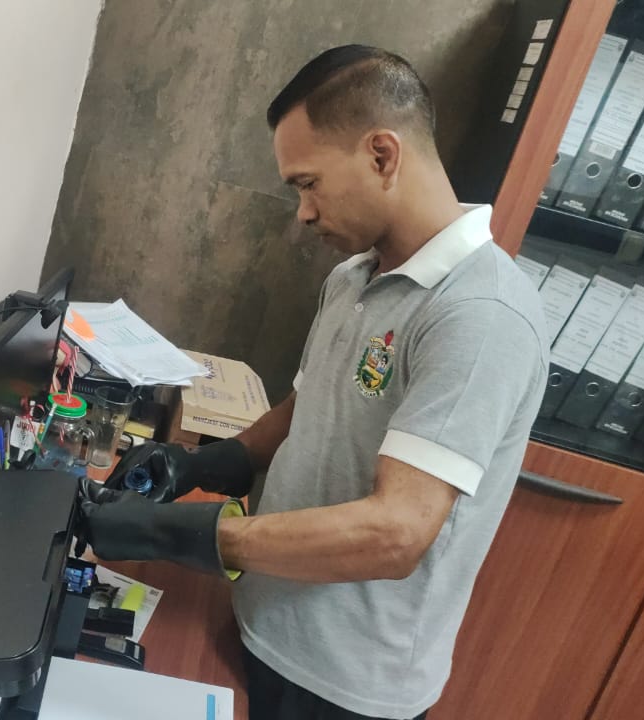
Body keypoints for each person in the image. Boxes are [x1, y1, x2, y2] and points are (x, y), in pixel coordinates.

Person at [77, 45, 549, 720]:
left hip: (344, 681)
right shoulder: (353, 277)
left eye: (308, 183)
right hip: (263, 620)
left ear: (382, 155)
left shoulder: (481, 314)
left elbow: (395, 534)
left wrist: (177, 534)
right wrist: (198, 464)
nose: (301, 212)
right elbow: (310, 408)